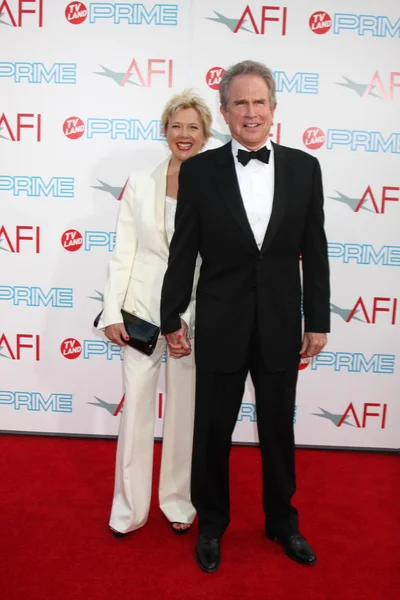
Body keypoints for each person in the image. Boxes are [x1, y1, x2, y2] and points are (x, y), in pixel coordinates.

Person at [161, 61, 330, 571]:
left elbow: (315, 249)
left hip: (280, 323)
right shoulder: (199, 172)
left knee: (279, 430)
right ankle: (211, 523)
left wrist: (316, 319)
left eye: (260, 102)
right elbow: (183, 252)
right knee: (213, 431)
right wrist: (172, 317)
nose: (251, 112)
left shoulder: (305, 168)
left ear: (274, 110)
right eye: (240, 103)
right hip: (221, 321)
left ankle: (283, 522)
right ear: (225, 112)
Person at [97, 90, 212, 536]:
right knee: (137, 410)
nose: (184, 135)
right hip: (141, 313)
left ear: (205, 134)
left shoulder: (217, 184)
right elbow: (124, 250)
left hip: (194, 315)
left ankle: (178, 502)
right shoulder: (140, 181)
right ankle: (128, 509)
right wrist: (112, 312)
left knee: (184, 413)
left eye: (193, 127)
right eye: (176, 126)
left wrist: (189, 313)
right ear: (164, 130)